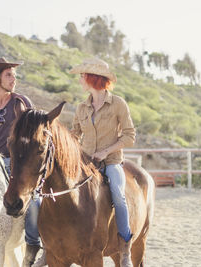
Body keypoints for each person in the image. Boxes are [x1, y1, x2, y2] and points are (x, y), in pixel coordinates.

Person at [0, 57, 45, 267]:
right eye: (9, 75)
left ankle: (32, 247)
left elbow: (34, 135)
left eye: (14, 75)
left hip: (18, 165)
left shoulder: (22, 102)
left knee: (35, 202)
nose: (14, 79)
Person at [70, 58, 136, 267]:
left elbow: (129, 136)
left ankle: (125, 245)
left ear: (93, 78)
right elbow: (74, 135)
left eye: (82, 76)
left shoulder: (118, 104)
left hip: (111, 162)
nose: (80, 80)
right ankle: (54, 245)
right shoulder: (81, 108)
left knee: (118, 194)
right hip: (85, 164)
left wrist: (105, 152)